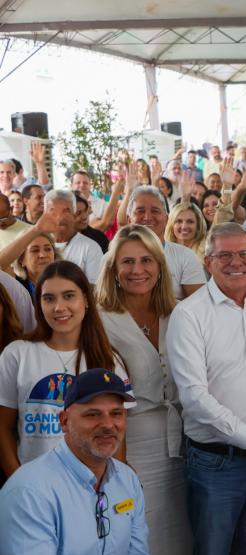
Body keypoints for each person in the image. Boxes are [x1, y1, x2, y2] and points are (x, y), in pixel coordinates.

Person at [167, 223, 246, 555]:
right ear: (208, 261)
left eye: (245, 254)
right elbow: (194, 397)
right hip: (216, 465)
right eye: (224, 255)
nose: (236, 262)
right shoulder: (189, 315)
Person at [97, 224, 192, 554]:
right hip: (129, 444)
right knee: (138, 532)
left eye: (146, 260)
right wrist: (118, 463)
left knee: (182, 534)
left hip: (183, 445)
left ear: (160, 266)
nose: (137, 270)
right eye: (128, 261)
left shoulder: (179, 311)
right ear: (113, 268)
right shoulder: (99, 318)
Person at [0, 260, 131, 477]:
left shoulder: (108, 359)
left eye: (69, 296)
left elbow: (117, 432)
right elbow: (2, 428)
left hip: (93, 485)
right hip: (35, 486)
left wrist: (115, 485)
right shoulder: (17, 355)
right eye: (49, 298)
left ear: (86, 300)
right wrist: (19, 482)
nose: (59, 307)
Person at [0, 369, 148, 554]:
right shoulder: (29, 493)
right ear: (64, 421)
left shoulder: (128, 480)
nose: (108, 425)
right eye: (92, 414)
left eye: (116, 413)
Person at [125, 186, 206, 300]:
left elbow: (200, 305)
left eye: (155, 211)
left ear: (166, 219)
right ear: (129, 220)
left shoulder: (186, 257)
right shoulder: (113, 258)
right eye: (140, 211)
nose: (147, 217)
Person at [44, 190, 104, 283]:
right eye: (53, 211)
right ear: (45, 215)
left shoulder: (91, 247)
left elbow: (95, 287)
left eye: (66, 211)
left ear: (74, 214)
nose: (60, 217)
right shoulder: (38, 244)